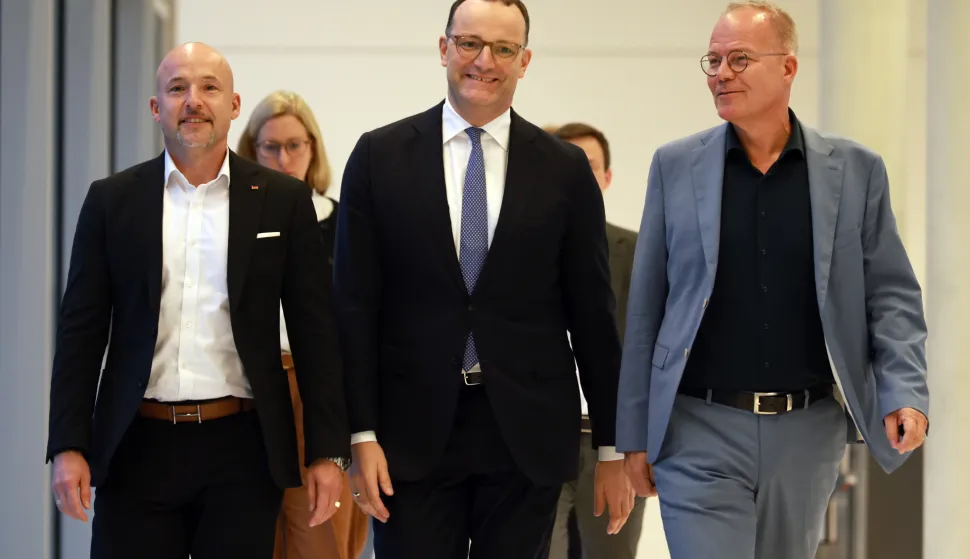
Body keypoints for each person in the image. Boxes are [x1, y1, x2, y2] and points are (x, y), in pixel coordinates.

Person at [616, 2, 929, 559]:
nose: (721, 73)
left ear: (788, 67)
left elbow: (892, 294)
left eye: (739, 58)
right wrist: (633, 434)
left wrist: (905, 391)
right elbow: (647, 309)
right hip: (697, 426)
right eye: (712, 60)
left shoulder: (856, 171)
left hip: (807, 429)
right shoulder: (675, 165)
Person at [333, 1, 634, 557]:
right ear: (444, 48)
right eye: (470, 43)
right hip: (409, 435)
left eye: (503, 48)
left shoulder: (565, 170)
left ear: (524, 60)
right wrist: (360, 434)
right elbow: (353, 309)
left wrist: (614, 447)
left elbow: (593, 316)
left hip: (525, 436)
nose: (484, 61)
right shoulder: (379, 157)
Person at [46, 43, 351, 559]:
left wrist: (327, 452)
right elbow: (80, 332)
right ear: (155, 108)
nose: (194, 100)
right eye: (177, 88)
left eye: (209, 87)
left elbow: (314, 334)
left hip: (243, 448)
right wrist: (67, 445)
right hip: (136, 445)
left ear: (234, 106)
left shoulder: (282, 200)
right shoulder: (111, 201)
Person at [237, 90, 370, 559]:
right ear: (251, 150)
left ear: (313, 148)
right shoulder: (230, 222)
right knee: (250, 529)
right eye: (269, 146)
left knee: (321, 534)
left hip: (321, 392)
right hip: (248, 388)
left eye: (295, 145)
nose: (283, 157)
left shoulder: (341, 224)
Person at [548, 123, 645, 559]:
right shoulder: (513, 252)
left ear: (607, 177)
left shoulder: (640, 252)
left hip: (615, 443)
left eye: (587, 166)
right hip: (538, 441)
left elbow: (649, 355)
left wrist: (634, 449)